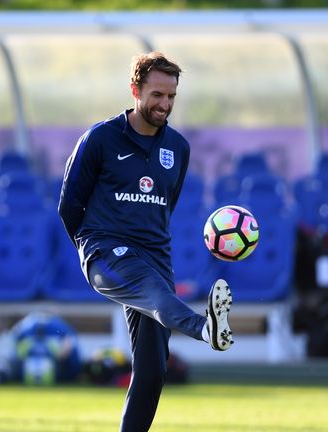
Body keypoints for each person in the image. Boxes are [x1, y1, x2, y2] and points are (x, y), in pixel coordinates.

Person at [58, 51, 233, 431]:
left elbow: (163, 208)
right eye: (157, 95)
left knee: (153, 372)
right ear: (135, 90)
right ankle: (206, 329)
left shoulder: (179, 149)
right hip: (106, 251)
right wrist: (90, 249)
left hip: (154, 257)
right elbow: (69, 204)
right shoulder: (101, 139)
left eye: (171, 97)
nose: (164, 105)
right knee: (154, 291)